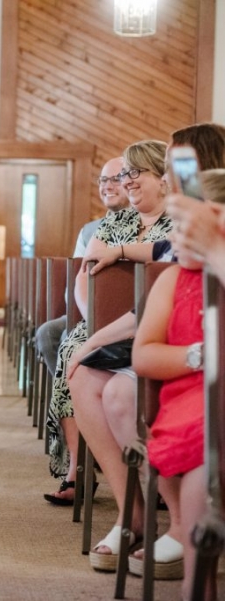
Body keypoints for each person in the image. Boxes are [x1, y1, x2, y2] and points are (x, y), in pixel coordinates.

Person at [66, 123, 225, 573]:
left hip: (202, 352)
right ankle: (132, 512)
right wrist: (92, 338)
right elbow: (161, 259)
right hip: (181, 345)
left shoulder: (209, 219)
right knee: (82, 369)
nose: (172, 180)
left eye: (179, 169)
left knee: (120, 392)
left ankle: (181, 523)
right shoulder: (180, 229)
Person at [44, 140, 173, 506]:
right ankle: (79, 466)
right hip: (105, 320)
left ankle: (152, 479)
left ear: (163, 178)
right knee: (72, 347)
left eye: (136, 173)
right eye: (124, 175)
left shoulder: (180, 221)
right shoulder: (116, 220)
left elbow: (167, 260)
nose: (127, 182)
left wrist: (119, 252)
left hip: (154, 324)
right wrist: (94, 319)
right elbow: (85, 274)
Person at [131, 169, 225, 600]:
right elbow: (144, 355)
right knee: (205, 458)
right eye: (176, 227)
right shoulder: (172, 279)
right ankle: (196, 579)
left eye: (191, 227)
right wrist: (200, 355)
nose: (179, 238)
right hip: (192, 403)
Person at [37, 157, 129, 460]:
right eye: (103, 180)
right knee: (52, 334)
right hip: (90, 311)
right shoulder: (91, 230)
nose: (108, 185)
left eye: (116, 178)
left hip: (130, 315)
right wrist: (91, 318)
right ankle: (81, 433)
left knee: (69, 341)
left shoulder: (153, 224)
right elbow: (78, 280)